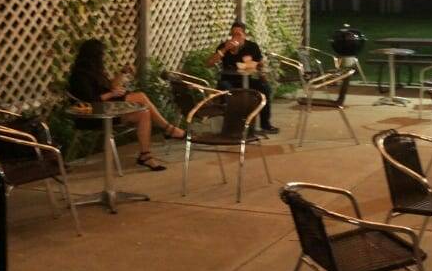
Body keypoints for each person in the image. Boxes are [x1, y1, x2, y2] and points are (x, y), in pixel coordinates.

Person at [68, 38, 185, 171]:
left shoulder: (95, 71)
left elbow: (110, 86)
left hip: (109, 110)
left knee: (144, 113)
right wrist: (112, 95)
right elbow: (88, 101)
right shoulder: (80, 75)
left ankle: (145, 156)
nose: (103, 57)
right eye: (101, 54)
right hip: (94, 115)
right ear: (93, 55)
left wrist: (122, 73)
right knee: (140, 97)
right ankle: (168, 129)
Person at [206, 21, 279, 135]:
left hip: (248, 79)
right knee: (226, 88)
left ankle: (265, 124)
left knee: (265, 88)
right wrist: (225, 49)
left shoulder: (252, 47)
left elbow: (259, 64)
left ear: (245, 35)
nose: (235, 37)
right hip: (229, 80)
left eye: (238, 34)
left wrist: (261, 71)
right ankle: (232, 126)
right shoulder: (224, 46)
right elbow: (209, 63)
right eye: (233, 34)